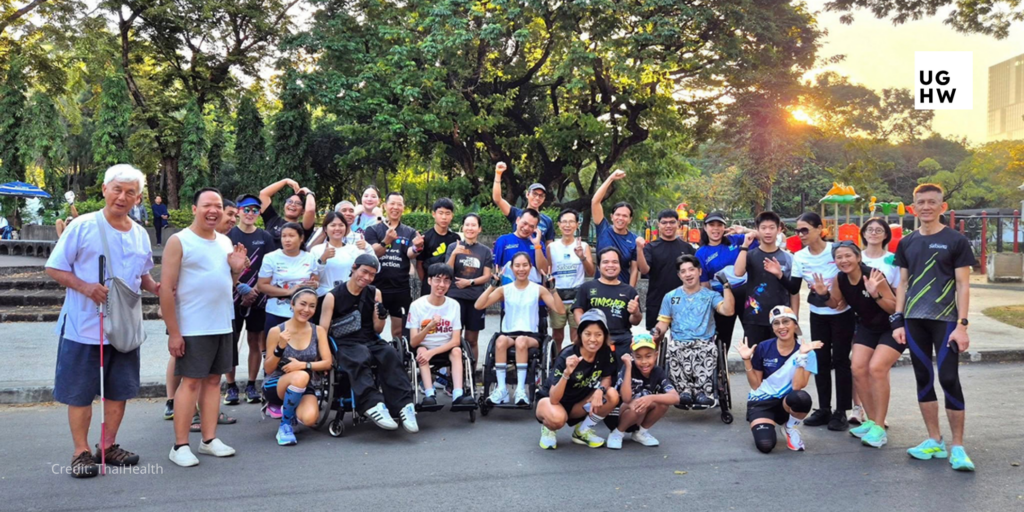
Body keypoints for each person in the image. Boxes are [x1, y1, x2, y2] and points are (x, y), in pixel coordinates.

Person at [45, 164, 159, 478]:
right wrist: (85, 286)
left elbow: (143, 273)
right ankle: (81, 452)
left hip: (123, 328)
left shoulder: (139, 233)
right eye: (117, 189)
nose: (123, 197)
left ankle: (107, 446)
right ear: (105, 190)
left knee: (118, 391)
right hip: (83, 327)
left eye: (131, 192)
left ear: (138, 198)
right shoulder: (83, 225)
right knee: (80, 393)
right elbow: (54, 268)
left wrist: (158, 288)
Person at [162, 187, 249, 467]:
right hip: (193, 326)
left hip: (223, 323)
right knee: (190, 384)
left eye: (218, 206)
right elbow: (166, 289)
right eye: (207, 205)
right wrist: (174, 332)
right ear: (194, 209)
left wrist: (237, 269)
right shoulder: (179, 241)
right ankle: (180, 445)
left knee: (214, 381)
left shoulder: (224, 242)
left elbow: (228, 283)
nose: (213, 210)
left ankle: (209, 440)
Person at [891, 183, 976, 471]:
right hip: (914, 320)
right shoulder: (906, 242)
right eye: (920, 202)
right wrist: (898, 319)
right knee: (923, 378)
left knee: (949, 378)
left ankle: (958, 447)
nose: (926, 207)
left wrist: (962, 325)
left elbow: (963, 285)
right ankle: (934, 440)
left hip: (946, 320)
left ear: (942, 207)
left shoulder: (956, 240)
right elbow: (902, 283)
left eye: (932, 202)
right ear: (913, 206)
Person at [813, 241, 902, 448]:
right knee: (857, 368)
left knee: (876, 368)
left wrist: (875, 294)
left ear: (858, 257)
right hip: (867, 328)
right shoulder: (840, 278)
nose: (844, 260)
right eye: (839, 257)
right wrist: (823, 294)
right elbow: (834, 303)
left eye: (848, 256)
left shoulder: (874, 275)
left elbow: (893, 308)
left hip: (891, 327)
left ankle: (879, 428)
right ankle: (871, 421)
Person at [319, 253, 420, 432]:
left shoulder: (375, 293)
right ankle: (372, 404)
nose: (367, 278)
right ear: (354, 268)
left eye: (372, 274)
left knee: (389, 353)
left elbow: (378, 329)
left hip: (369, 339)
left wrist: (381, 316)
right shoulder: (333, 296)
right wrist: (326, 359)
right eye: (364, 272)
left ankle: (404, 405)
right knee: (361, 355)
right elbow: (322, 331)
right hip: (345, 343)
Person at [787, 212, 856, 431]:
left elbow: (849, 274)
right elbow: (793, 288)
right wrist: (779, 275)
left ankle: (841, 412)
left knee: (842, 362)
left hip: (842, 314)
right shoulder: (799, 256)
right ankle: (824, 408)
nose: (801, 234)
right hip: (818, 314)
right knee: (821, 362)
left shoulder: (836, 251)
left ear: (819, 229)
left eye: (805, 230)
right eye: (798, 231)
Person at [475, 252, 565, 406]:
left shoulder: (538, 289)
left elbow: (560, 310)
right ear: (511, 268)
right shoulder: (505, 289)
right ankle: (501, 389)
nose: (521, 269)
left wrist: (553, 289)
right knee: (501, 341)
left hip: (531, 336)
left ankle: (521, 390)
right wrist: (492, 285)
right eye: (517, 265)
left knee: (521, 342)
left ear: (530, 267)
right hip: (509, 334)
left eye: (525, 265)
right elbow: (479, 305)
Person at [651, 255, 735, 407]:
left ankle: (703, 392)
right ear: (679, 275)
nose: (688, 274)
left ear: (699, 271)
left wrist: (726, 286)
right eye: (683, 271)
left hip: (704, 341)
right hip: (679, 341)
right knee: (674, 349)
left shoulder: (711, 296)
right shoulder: (671, 297)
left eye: (691, 270)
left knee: (707, 350)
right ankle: (684, 391)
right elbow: (663, 322)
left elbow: (728, 311)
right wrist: (656, 331)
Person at [738, 306, 822, 454]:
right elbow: (755, 385)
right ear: (772, 327)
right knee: (765, 445)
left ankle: (790, 427)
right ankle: (766, 424)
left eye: (786, 322)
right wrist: (746, 360)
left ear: (795, 325)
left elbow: (797, 386)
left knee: (802, 398)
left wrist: (801, 356)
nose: (781, 327)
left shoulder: (808, 353)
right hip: (761, 401)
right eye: (776, 323)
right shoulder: (763, 347)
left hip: (786, 402)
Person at [535, 309, 620, 449]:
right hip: (553, 402)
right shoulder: (567, 355)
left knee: (612, 395)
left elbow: (607, 376)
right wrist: (567, 373)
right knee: (557, 419)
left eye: (598, 334)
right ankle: (548, 429)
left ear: (604, 336)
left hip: (578, 404)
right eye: (588, 334)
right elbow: (554, 398)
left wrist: (600, 390)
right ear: (580, 334)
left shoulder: (605, 353)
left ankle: (582, 431)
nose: (593, 339)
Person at [224, 194, 276, 408]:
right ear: (238, 211)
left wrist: (254, 291)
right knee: (230, 342)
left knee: (256, 342)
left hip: (259, 297)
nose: (250, 214)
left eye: (255, 210)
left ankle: (252, 385)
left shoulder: (265, 237)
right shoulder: (228, 235)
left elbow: (271, 266)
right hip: (231, 297)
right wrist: (239, 288)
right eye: (246, 209)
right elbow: (222, 267)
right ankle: (231, 385)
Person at [262, 287, 332, 446]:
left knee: (309, 419)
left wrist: (303, 365)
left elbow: (327, 362)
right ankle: (285, 425)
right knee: (301, 375)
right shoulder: (276, 331)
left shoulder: (318, 331)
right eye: (303, 304)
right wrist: (280, 347)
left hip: (304, 383)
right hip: (276, 384)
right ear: (292, 304)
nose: (306, 310)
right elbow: (268, 369)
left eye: (312, 306)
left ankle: (291, 411)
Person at [847, 217, 900, 424]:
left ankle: (879, 414)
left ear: (886, 235)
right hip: (859, 318)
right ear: (863, 233)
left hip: (886, 318)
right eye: (870, 229)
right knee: (857, 364)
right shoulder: (856, 259)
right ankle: (858, 407)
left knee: (879, 367)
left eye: (879, 230)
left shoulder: (892, 261)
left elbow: (897, 292)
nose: (874, 233)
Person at [407, 263, 475, 407]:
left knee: (457, 351)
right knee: (421, 351)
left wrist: (433, 352)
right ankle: (429, 394)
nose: (441, 285)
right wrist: (429, 327)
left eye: (446, 281)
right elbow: (413, 342)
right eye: (437, 280)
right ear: (429, 281)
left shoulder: (454, 305)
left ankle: (458, 394)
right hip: (424, 346)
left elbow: (456, 340)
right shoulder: (417, 306)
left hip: (446, 347)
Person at [364, 191, 424, 341]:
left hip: (400, 288)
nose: (395, 207)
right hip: (377, 288)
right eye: (392, 204)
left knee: (399, 332)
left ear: (403, 208)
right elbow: (373, 254)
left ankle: (399, 359)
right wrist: (386, 241)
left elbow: (410, 253)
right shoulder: (372, 230)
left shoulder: (409, 232)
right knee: (374, 329)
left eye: (399, 204)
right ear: (385, 206)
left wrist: (417, 247)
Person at [606, 333, 680, 449]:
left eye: (648, 356)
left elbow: (675, 398)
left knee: (661, 402)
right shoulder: (628, 367)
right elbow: (626, 398)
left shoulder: (657, 371)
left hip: (639, 413)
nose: (644, 361)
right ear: (633, 357)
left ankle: (640, 433)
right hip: (617, 415)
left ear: (656, 355)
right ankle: (617, 432)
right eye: (639, 357)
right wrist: (629, 367)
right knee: (638, 404)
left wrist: (651, 398)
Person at [696, 211, 754, 352]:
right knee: (722, 339)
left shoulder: (736, 240)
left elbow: (767, 237)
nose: (716, 229)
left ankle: (755, 370)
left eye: (719, 225)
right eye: (711, 225)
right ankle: (720, 372)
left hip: (746, 293)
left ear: (724, 227)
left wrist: (745, 230)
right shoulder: (701, 253)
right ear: (705, 227)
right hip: (721, 297)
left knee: (753, 335)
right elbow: (704, 284)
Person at [733, 211, 794, 346]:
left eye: (772, 228)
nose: (768, 232)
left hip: (780, 319)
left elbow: (793, 290)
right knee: (754, 358)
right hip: (754, 317)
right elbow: (738, 272)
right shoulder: (750, 254)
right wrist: (744, 246)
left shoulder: (788, 258)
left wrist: (794, 316)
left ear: (779, 230)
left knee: (781, 359)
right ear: (757, 230)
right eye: (763, 228)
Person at [573, 247, 642, 355]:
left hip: (621, 339)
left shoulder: (629, 291)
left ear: (620, 266)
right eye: (605, 262)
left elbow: (635, 321)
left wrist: (636, 312)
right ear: (599, 267)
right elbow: (578, 311)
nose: (610, 265)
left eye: (615, 262)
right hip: (594, 339)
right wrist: (586, 331)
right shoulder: (586, 287)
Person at [445, 213, 493, 364]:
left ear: (479, 229)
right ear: (462, 227)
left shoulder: (485, 251)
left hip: (476, 299)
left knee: (472, 340)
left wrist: (470, 282)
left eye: (473, 225)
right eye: (467, 225)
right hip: (454, 298)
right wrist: (454, 254)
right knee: (453, 339)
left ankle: (471, 372)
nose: (470, 228)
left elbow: (487, 276)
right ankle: (451, 374)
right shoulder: (453, 246)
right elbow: (447, 271)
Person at [257, 223, 323, 332]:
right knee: (276, 346)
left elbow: (316, 281)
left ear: (301, 238)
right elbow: (262, 286)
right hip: (276, 311)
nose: (287, 240)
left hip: (303, 312)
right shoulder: (270, 258)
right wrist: (289, 291)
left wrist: (314, 285)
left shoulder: (310, 258)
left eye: (291, 236)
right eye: (284, 236)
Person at [637, 209, 696, 331]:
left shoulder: (687, 248)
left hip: (683, 302)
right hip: (657, 301)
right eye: (664, 222)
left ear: (678, 224)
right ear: (659, 225)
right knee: (655, 340)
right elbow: (644, 270)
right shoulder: (651, 248)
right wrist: (639, 249)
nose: (668, 225)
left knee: (682, 339)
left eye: (672, 222)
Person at [310, 212, 374, 319]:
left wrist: (368, 248)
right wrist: (323, 259)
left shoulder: (354, 250)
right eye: (333, 225)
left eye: (341, 225)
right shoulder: (316, 250)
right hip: (324, 297)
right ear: (325, 229)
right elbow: (315, 279)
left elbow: (374, 267)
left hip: (350, 298)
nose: (337, 228)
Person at [547, 209, 594, 348]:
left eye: (571, 222)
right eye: (564, 222)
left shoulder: (583, 246)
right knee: (557, 335)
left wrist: (582, 257)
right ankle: (557, 362)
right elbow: (547, 272)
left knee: (576, 335)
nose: (568, 225)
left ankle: (575, 363)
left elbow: (591, 272)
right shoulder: (551, 247)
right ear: (559, 224)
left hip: (577, 297)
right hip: (557, 295)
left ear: (577, 224)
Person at [590, 169, 639, 286]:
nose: (620, 218)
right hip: (599, 286)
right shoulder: (603, 229)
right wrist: (610, 178)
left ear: (630, 219)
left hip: (622, 287)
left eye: (625, 216)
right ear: (612, 216)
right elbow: (595, 202)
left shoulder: (634, 240)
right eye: (617, 215)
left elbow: (634, 270)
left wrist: (630, 293)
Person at [492, 161, 556, 242]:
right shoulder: (515, 213)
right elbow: (497, 199)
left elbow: (548, 245)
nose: (537, 198)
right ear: (527, 194)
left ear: (544, 199)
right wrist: (498, 174)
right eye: (534, 194)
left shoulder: (547, 221)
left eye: (541, 195)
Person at [417, 198, 461, 296]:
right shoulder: (425, 237)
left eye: (447, 213)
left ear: (452, 216)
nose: (444, 217)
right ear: (434, 214)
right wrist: (427, 282)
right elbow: (419, 264)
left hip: (448, 286)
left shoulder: (455, 238)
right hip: (429, 286)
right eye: (440, 213)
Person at [493, 207, 549, 283]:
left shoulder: (539, 244)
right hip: (509, 290)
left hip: (533, 290)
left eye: (531, 226)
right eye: (524, 223)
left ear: (536, 228)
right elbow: (495, 268)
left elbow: (544, 271)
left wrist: (537, 246)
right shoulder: (503, 240)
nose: (526, 228)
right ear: (517, 220)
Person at [258, 178, 317, 249]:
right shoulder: (272, 219)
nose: (292, 204)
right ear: (284, 205)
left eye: (298, 203)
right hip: (268, 259)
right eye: (289, 201)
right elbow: (263, 194)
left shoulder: (303, 228)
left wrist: (308, 192)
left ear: (302, 211)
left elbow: (310, 210)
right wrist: (286, 181)